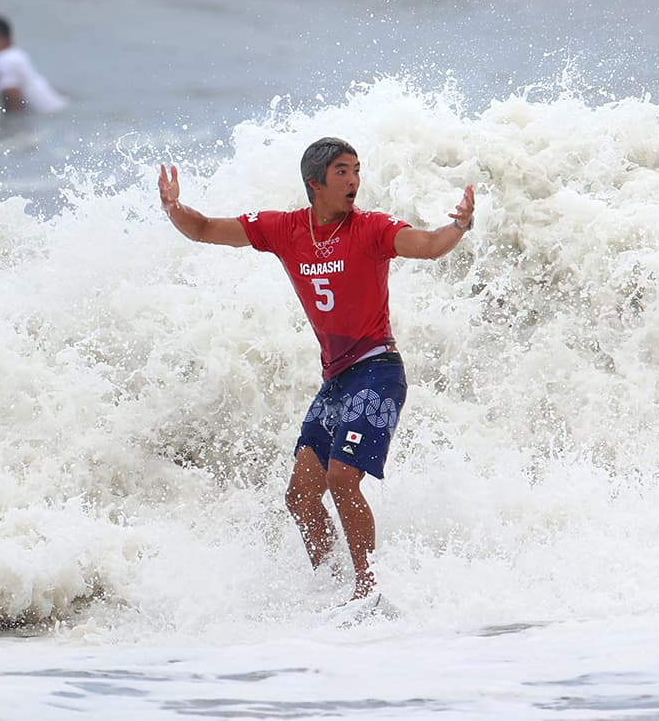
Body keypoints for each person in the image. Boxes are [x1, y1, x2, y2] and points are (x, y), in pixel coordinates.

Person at [158, 137, 475, 602]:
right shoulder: (284, 229)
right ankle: (328, 589)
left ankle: (368, 592)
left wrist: (460, 225)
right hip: (337, 381)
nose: (354, 180)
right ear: (316, 183)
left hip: (378, 371)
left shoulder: (370, 228)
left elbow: (427, 246)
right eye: (343, 172)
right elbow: (204, 228)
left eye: (356, 170)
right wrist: (173, 208)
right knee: (301, 498)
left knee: (342, 477)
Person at [0, 14, 66, 115]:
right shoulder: (16, 55)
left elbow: (12, 99)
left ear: (7, 38)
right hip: (58, 111)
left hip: (49, 117)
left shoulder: (4, 61)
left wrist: (11, 128)